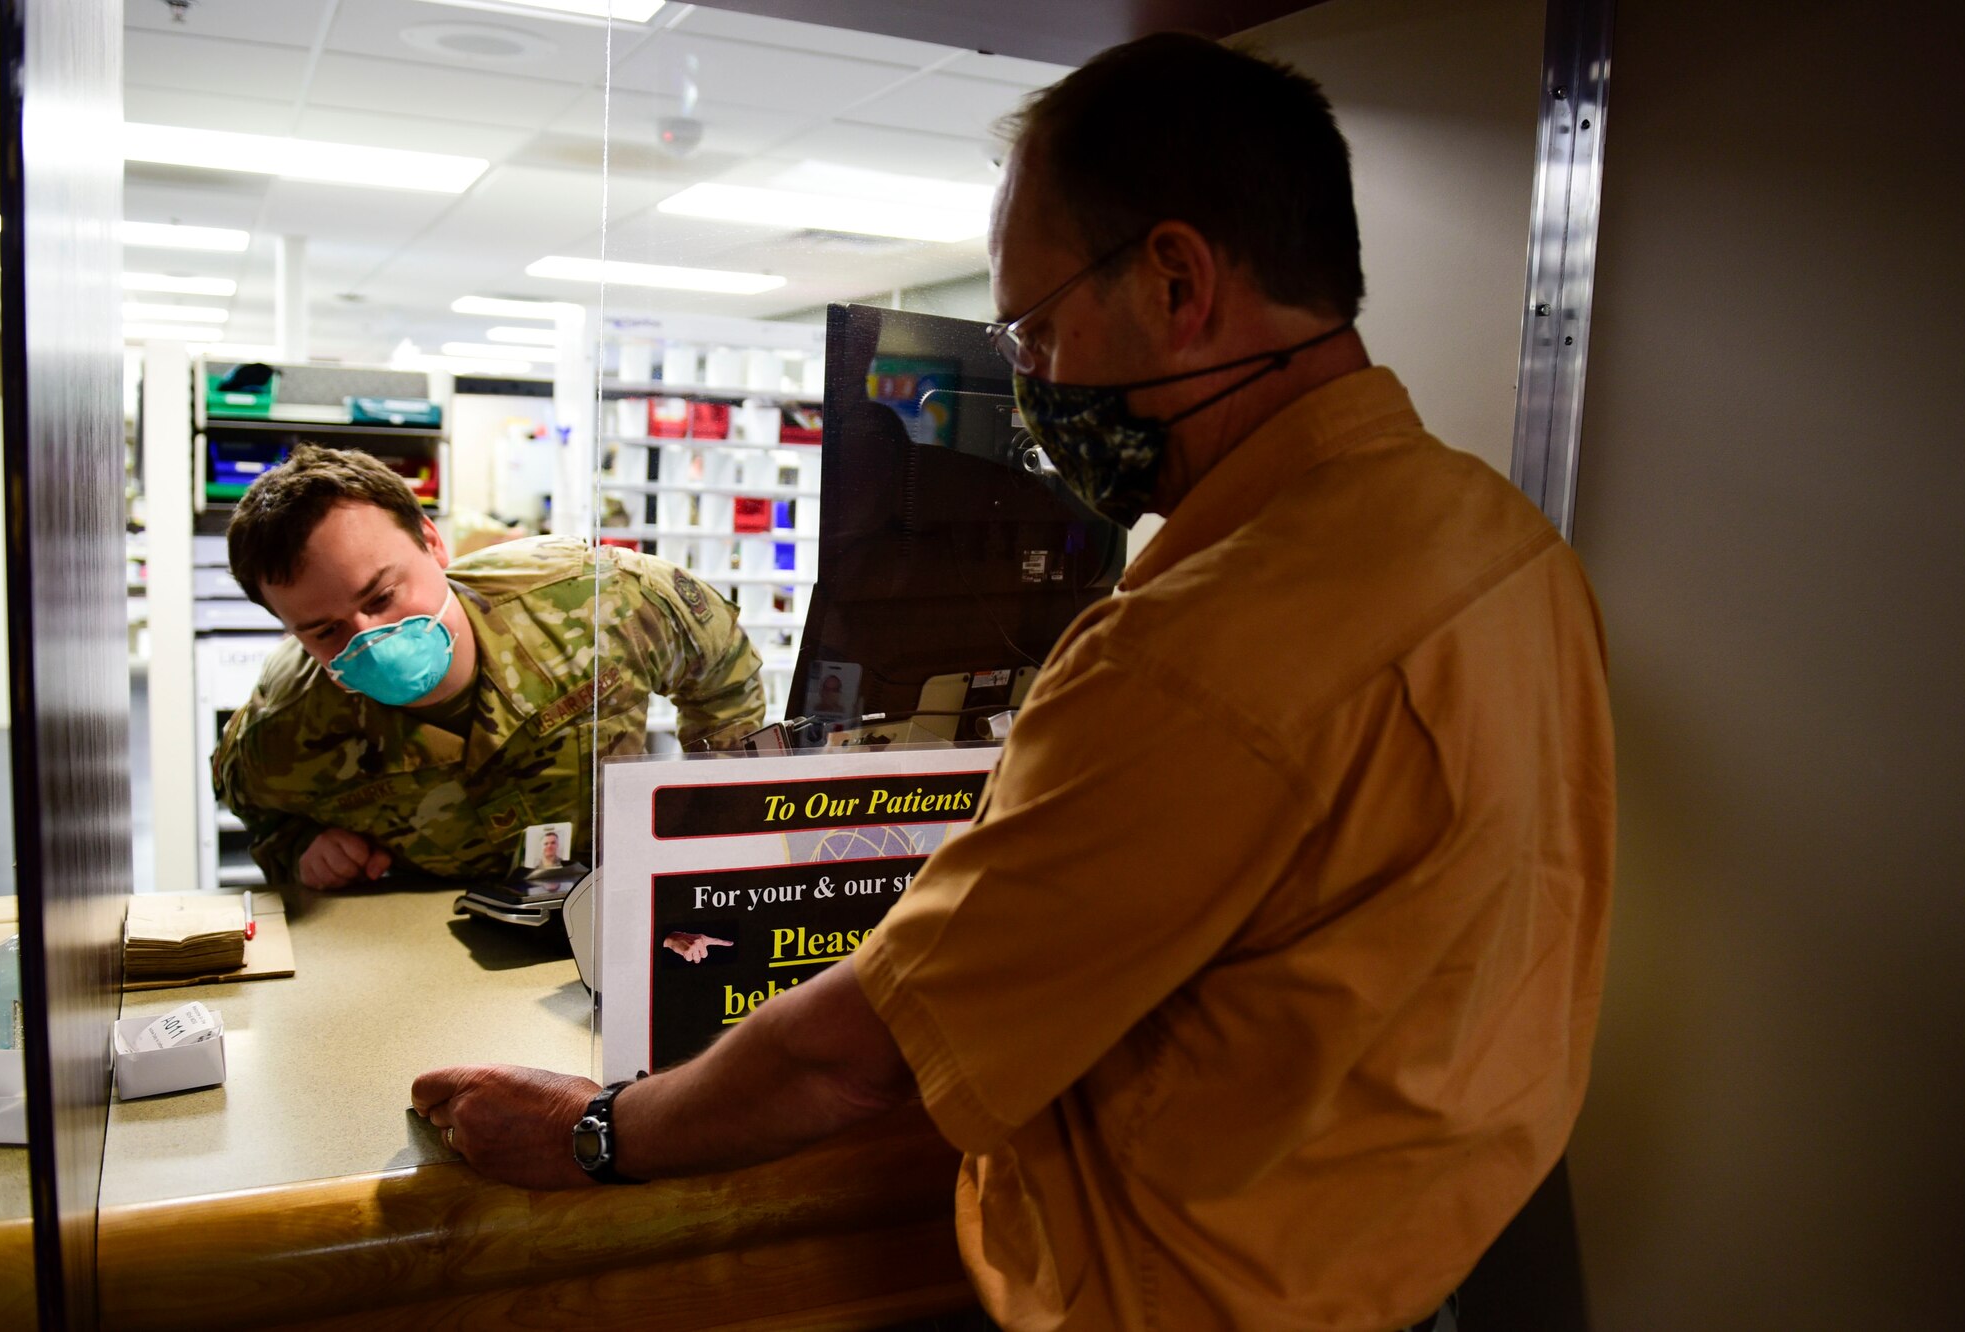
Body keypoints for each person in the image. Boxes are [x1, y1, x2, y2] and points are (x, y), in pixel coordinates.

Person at [412, 33, 1615, 1332]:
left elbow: (870, 1059)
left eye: (1036, 328)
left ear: (1176, 282)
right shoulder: (1504, 545)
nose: (1028, 384)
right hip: (1446, 1267)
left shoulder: (1202, 646)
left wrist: (601, 1129)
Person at [214, 445, 766, 888]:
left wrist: (707, 812)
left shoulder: (597, 600)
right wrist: (301, 849)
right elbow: (254, 808)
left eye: (382, 597)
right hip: (427, 945)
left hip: (607, 907)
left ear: (432, 543)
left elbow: (722, 666)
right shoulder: (284, 724)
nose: (370, 638)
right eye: (324, 630)